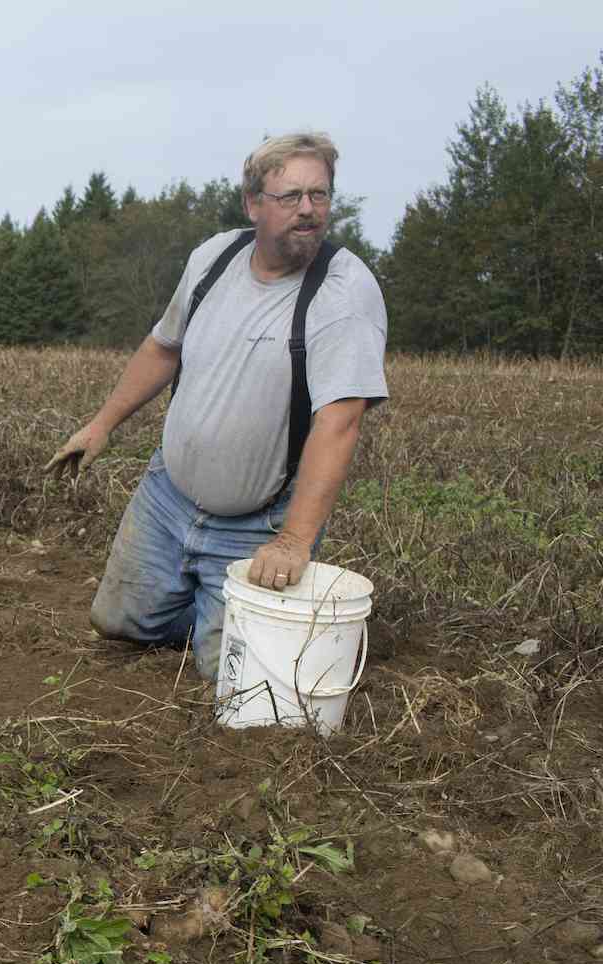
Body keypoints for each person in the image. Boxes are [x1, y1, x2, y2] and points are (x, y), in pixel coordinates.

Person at [48, 132, 388, 680]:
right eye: (291, 197)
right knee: (117, 624)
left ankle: (241, 619)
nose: (308, 211)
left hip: (257, 524)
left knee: (236, 680)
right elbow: (164, 347)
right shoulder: (214, 258)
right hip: (167, 499)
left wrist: (294, 541)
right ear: (253, 203)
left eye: (319, 196)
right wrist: (101, 425)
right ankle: (209, 607)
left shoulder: (343, 292)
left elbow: (340, 421)